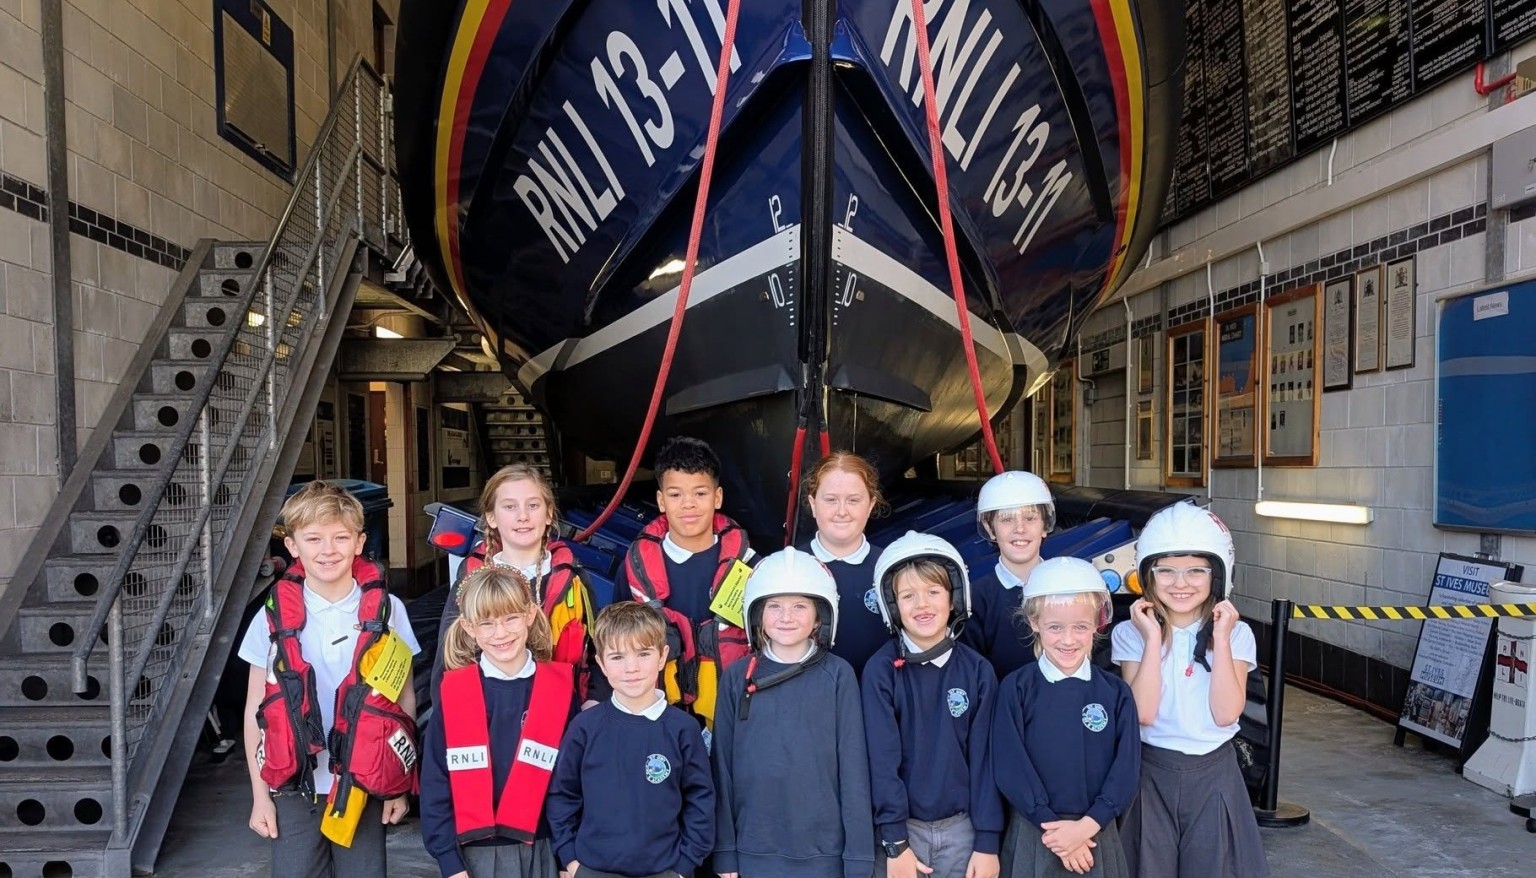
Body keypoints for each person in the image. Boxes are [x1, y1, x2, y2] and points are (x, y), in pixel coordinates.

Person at [239, 480, 420, 877]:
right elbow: (256, 711)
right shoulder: (270, 617)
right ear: (292, 546)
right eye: (313, 538)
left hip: (363, 783)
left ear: (359, 543)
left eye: (340, 537)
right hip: (293, 786)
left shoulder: (389, 612)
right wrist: (260, 796)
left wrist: (397, 784)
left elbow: (402, 706)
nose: (327, 550)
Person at [1110, 503, 1267, 878]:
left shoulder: (1238, 634)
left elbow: (1227, 714)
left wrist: (1223, 639)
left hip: (1214, 771)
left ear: (1218, 575)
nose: (1181, 583)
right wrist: (1152, 641)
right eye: (1166, 571)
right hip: (1150, 770)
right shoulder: (1130, 633)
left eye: (1197, 570)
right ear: (1148, 574)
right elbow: (1142, 714)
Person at [712, 548, 874, 878]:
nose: (787, 617)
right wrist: (725, 851)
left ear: (820, 616)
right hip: (752, 851)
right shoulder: (736, 677)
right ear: (756, 613)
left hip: (823, 856)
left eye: (800, 606)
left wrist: (858, 858)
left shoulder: (839, 676)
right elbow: (721, 769)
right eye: (775, 606)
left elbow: (854, 770)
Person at [420, 566, 577, 878]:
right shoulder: (454, 693)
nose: (501, 633)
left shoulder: (559, 689)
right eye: (487, 623)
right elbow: (435, 782)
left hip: (543, 847)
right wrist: (450, 862)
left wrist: (566, 856)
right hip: (472, 855)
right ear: (468, 626)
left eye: (511, 619)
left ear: (531, 614)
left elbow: (571, 782)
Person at [863, 532, 1002, 878]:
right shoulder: (881, 672)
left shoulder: (978, 671)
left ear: (954, 598)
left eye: (933, 592)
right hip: (902, 834)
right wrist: (895, 842)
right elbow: (882, 763)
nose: (922, 605)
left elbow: (986, 763)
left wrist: (987, 842)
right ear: (892, 606)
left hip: (962, 831)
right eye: (908, 596)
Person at [992, 557, 1139, 878]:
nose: (1068, 639)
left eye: (1080, 627)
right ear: (1034, 622)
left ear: (1097, 625)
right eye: (1055, 627)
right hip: (1036, 832)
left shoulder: (1115, 693)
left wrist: (1086, 826)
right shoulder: (1016, 689)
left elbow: (1126, 768)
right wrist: (1054, 830)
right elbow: (1010, 766)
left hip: (1096, 833)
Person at [547, 602, 715, 878]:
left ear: (662, 657)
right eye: (617, 657)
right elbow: (563, 795)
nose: (631, 668)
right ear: (600, 662)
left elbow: (701, 799)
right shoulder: (584, 727)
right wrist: (571, 859)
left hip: (664, 871)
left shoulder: (683, 729)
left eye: (643, 654)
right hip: (592, 869)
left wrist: (685, 865)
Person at [622, 437, 756, 734]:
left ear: (717, 497)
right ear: (660, 501)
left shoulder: (747, 564)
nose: (689, 505)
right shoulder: (635, 566)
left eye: (700, 493)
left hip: (733, 713)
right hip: (658, 715)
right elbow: (615, 641)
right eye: (675, 494)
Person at [434, 463, 596, 706]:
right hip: (486, 717)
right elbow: (446, 659)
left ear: (549, 513)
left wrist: (592, 703)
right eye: (510, 507)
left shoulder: (574, 579)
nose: (523, 516)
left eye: (533, 505)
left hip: (559, 717)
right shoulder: (471, 580)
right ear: (491, 517)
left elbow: (596, 652)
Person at [798, 452, 888, 677]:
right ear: (813, 503)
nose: (841, 511)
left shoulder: (891, 568)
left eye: (854, 500)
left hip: (878, 699)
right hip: (811, 702)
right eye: (830, 500)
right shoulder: (788, 568)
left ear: (870, 505)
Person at [961, 472, 1056, 681]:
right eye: (1006, 519)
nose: (1019, 529)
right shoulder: (975, 599)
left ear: (1045, 525)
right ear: (989, 528)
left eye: (1030, 518)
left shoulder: (1068, 588)